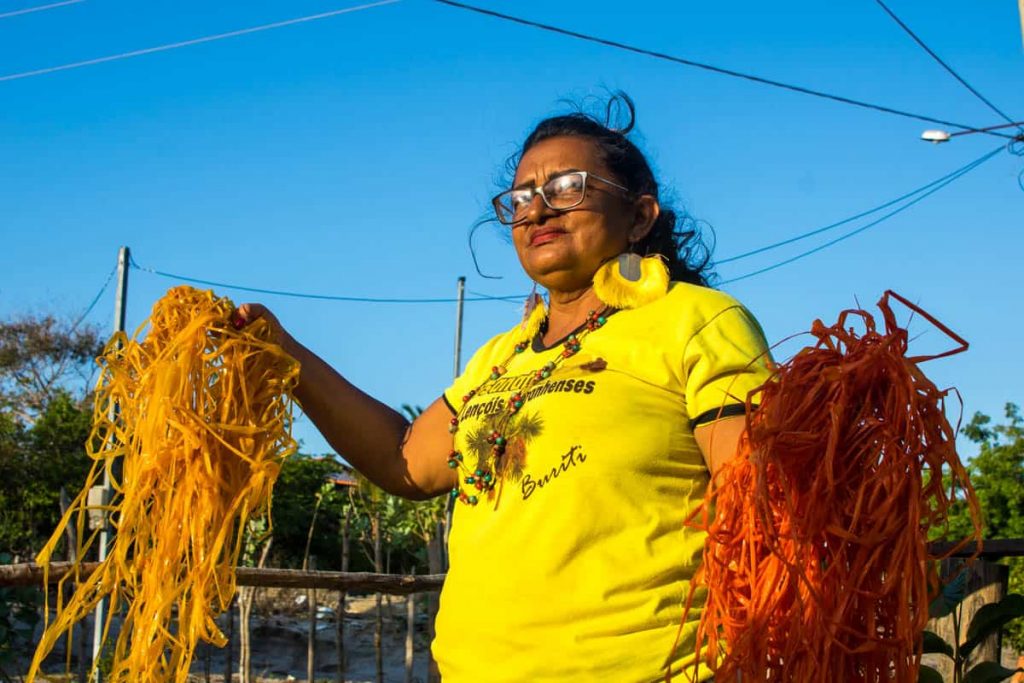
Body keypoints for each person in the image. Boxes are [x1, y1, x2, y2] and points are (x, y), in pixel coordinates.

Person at [235, 94, 773, 682]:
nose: (537, 211)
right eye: (520, 199)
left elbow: (762, 510)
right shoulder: (502, 357)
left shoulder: (697, 320)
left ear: (640, 216)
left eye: (568, 187)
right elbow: (404, 461)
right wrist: (282, 352)